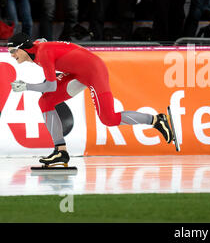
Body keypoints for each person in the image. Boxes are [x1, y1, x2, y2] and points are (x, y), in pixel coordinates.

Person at [7, 32, 176, 166]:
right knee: (45, 101)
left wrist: (26, 86)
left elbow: (50, 86)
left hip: (94, 70)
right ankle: (61, 151)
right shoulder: (35, 48)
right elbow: (42, 40)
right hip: (75, 72)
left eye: (13, 51)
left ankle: (156, 120)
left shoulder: (43, 54)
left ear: (22, 48)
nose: (12, 56)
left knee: (109, 119)